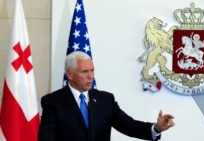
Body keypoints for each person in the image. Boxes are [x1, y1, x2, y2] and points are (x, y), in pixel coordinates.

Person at [38, 51, 175, 141]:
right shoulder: (53, 102)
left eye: (92, 70)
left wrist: (156, 128)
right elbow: (47, 138)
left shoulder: (105, 100)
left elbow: (128, 125)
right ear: (70, 74)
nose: (90, 76)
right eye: (84, 72)